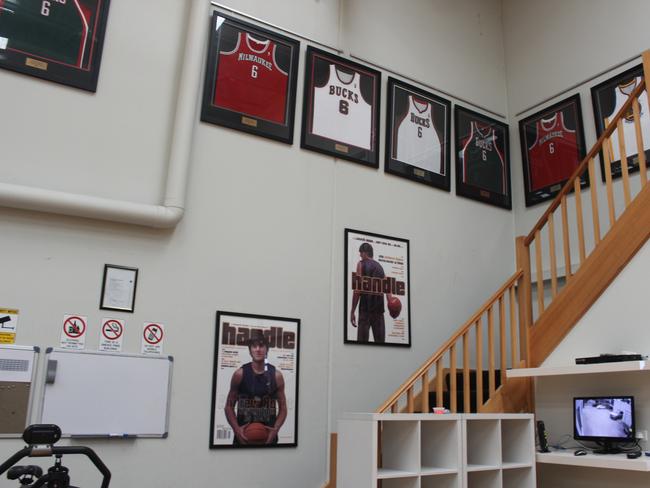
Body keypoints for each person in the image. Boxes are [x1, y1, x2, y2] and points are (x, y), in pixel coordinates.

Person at [224, 331, 287, 445]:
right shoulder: (240, 374)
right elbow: (229, 407)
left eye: (262, 346)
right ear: (250, 350)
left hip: (268, 437)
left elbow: (283, 408)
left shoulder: (276, 376)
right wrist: (237, 429)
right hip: (243, 437)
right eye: (254, 346)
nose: (258, 349)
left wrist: (275, 430)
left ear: (267, 349)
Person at [350, 242, 392, 343]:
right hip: (379, 312)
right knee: (380, 344)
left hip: (365, 311)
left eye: (361, 252)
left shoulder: (361, 264)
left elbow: (357, 290)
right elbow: (388, 290)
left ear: (365, 253)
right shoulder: (380, 267)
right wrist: (391, 305)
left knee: (361, 344)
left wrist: (352, 311)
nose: (360, 255)